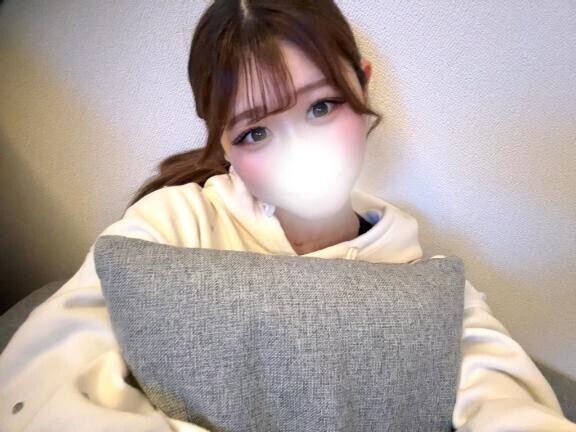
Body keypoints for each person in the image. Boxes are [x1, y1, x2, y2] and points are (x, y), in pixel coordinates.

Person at [0, 1, 574, 431]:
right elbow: (39, 385)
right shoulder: (170, 225)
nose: (301, 151)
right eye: (255, 132)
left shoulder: (422, 279)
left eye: (322, 106)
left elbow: (500, 395)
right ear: (223, 144)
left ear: (362, 83)